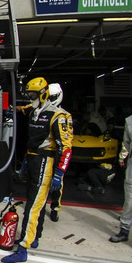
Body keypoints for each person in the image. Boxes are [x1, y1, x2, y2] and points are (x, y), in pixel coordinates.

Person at [2, 77, 72, 263]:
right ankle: (34, 238)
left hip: (46, 162)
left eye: (33, 94)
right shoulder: (34, 110)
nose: (31, 97)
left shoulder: (59, 116)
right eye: (29, 94)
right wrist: (8, 107)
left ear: (44, 94)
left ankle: (23, 248)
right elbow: (20, 110)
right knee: (34, 204)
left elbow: (66, 148)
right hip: (32, 159)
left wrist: (59, 173)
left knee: (33, 207)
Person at [109, 88, 132, 255]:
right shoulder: (131, 121)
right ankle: (124, 231)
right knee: (130, 200)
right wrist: (122, 158)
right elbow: (126, 142)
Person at [45, 83, 73, 223]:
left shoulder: (64, 116)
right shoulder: (42, 111)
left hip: (57, 153)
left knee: (57, 185)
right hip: (44, 153)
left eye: (52, 97)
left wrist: (60, 170)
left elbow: (67, 146)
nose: (50, 100)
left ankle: (55, 208)